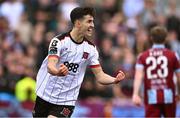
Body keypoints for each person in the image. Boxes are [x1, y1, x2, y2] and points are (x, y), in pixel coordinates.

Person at [32, 7, 125, 118]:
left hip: (67, 101)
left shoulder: (91, 49)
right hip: (45, 94)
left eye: (93, 21)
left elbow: (100, 76)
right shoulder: (58, 41)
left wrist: (114, 80)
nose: (93, 25)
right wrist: (58, 72)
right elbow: (50, 66)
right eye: (89, 21)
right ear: (78, 23)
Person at [132, 26, 180, 117]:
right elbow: (178, 77)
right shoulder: (173, 55)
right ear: (166, 39)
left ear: (151, 38)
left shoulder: (142, 56)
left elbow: (138, 76)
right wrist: (179, 93)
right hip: (169, 95)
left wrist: (135, 94)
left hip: (151, 96)